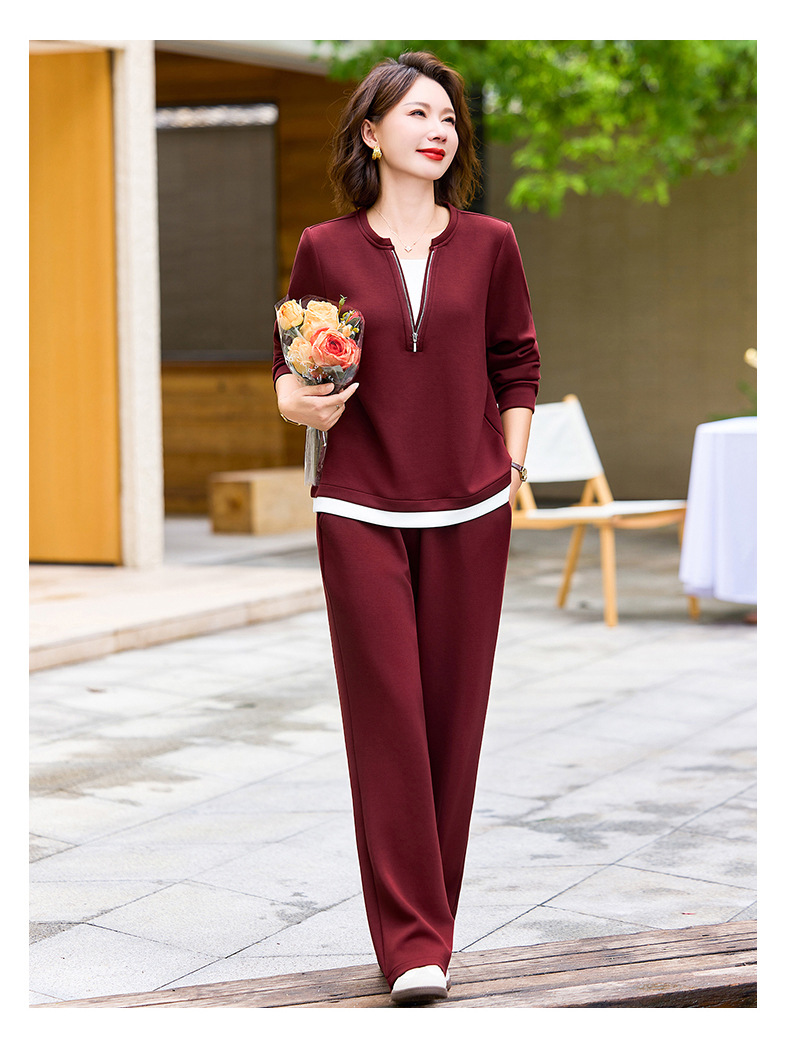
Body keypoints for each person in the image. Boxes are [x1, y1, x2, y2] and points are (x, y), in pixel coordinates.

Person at [273, 51, 540, 1005]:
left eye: (450, 118)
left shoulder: (493, 243)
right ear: (372, 132)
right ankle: (414, 945)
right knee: (386, 717)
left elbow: (518, 362)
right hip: (359, 507)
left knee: (452, 724)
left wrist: (510, 467)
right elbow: (292, 363)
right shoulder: (325, 247)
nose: (438, 130)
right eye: (418, 114)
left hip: (472, 506)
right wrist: (294, 397)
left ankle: (431, 925)